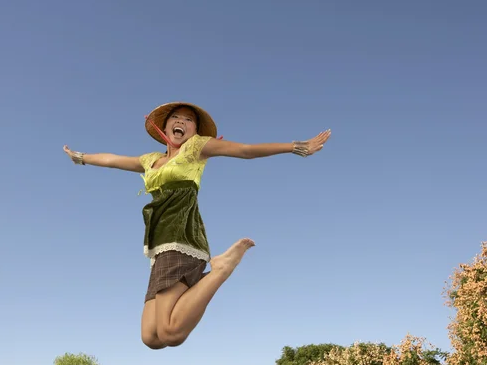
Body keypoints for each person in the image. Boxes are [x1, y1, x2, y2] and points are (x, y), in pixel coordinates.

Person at [63, 102, 331, 349]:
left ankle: (221, 270)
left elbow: (245, 150)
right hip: (159, 245)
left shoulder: (196, 148)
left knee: (170, 333)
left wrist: (296, 146)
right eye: (175, 118)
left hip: (181, 238)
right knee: (151, 337)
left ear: (194, 130)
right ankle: (206, 275)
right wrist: (81, 157)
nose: (181, 122)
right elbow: (113, 159)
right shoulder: (150, 161)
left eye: (188, 120)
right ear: (165, 127)